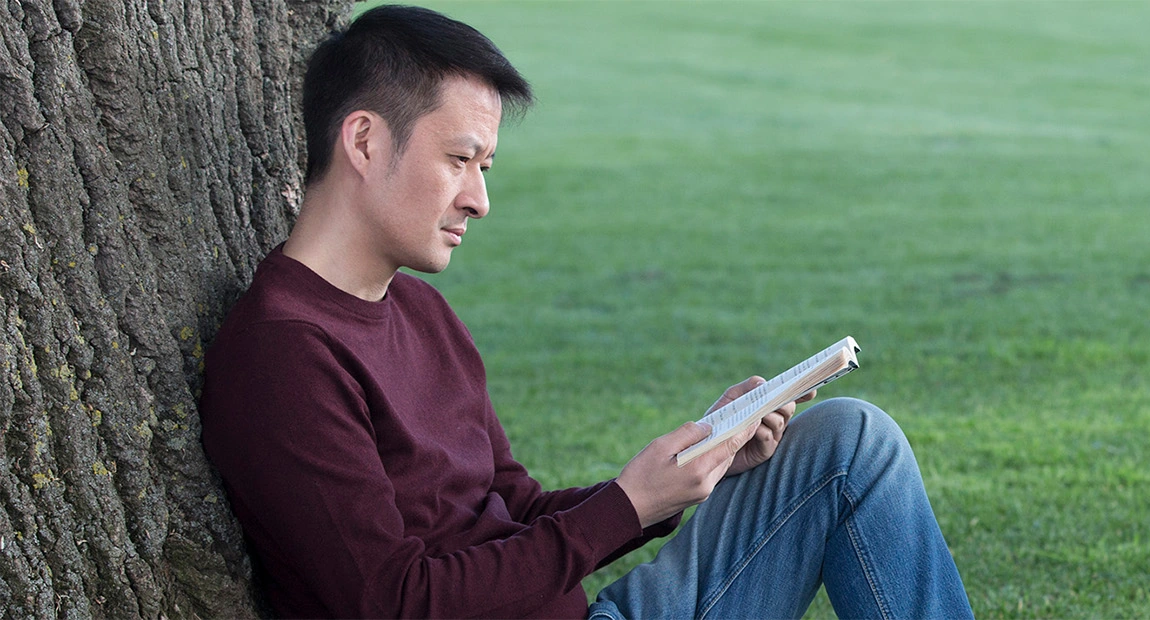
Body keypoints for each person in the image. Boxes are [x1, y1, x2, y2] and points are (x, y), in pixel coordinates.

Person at [196, 6, 972, 618]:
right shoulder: (283, 355)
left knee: (847, 441)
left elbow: (522, 512)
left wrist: (686, 470)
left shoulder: (423, 316)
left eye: (486, 166)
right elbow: (391, 601)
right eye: (460, 160)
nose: (480, 198)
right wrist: (627, 503)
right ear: (364, 141)